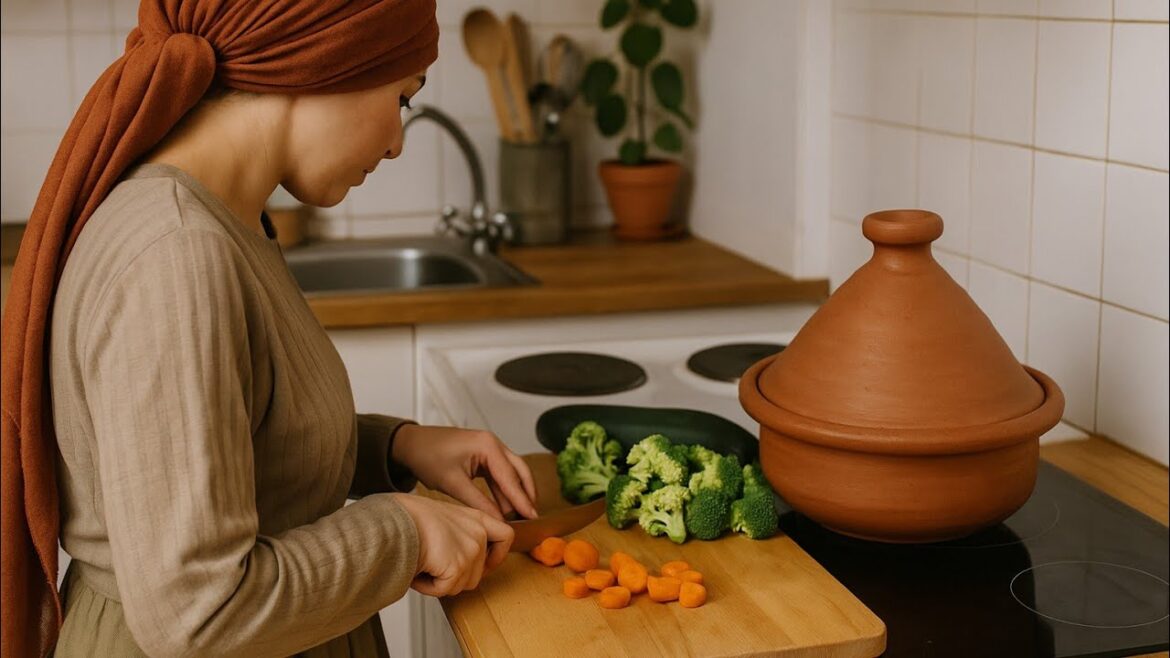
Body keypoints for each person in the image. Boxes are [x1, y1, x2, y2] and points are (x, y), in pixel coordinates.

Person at [0, 1, 539, 656]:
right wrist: (405, 531)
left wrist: (395, 449)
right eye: (401, 97)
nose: (397, 141)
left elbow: (235, 443)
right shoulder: (175, 253)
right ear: (328, 61)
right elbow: (198, 609)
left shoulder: (223, 221)